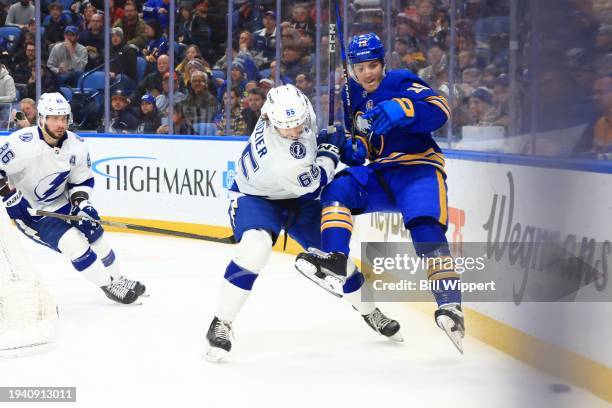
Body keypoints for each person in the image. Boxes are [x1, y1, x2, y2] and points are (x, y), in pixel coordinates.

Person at [294, 33, 465, 352]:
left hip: (418, 169)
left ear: (383, 64)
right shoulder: (351, 94)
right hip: (382, 172)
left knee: (426, 228)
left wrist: (406, 110)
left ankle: (450, 306)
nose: (367, 73)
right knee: (339, 188)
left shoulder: (401, 80)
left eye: (373, 65)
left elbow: (440, 110)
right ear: (353, 69)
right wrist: (354, 147)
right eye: (360, 67)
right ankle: (334, 259)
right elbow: (361, 139)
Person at [205, 84, 401, 362]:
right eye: (287, 128)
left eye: (298, 125)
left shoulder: (287, 109)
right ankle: (221, 322)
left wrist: (327, 140)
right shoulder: (281, 157)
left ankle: (371, 312)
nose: (294, 131)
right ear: (270, 120)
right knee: (255, 247)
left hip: (292, 198)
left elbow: (305, 140)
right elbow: (315, 184)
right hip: (256, 197)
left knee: (336, 259)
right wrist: (331, 152)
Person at [0, 92, 145, 304]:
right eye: (55, 118)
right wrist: (11, 198)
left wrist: (81, 203)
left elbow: (81, 181)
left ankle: (118, 278)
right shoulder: (20, 144)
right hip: (34, 214)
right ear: (42, 118)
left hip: (63, 203)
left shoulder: (76, 144)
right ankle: (108, 284)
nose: (61, 124)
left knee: (97, 237)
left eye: (64, 118)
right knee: (73, 243)